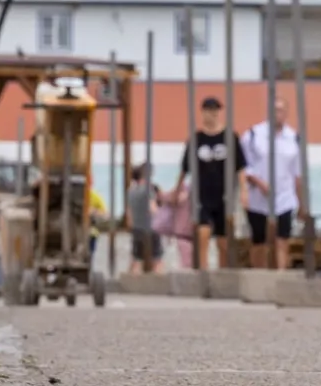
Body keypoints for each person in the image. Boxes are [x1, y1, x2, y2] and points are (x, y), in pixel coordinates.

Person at [175, 97, 247, 270]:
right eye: (209, 110)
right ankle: (203, 269)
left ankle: (223, 271)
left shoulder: (230, 137)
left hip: (225, 194)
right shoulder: (197, 139)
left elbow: (240, 167)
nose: (212, 114)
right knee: (203, 232)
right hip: (202, 194)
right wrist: (177, 190)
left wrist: (244, 191)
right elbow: (185, 168)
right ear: (203, 113)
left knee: (223, 240)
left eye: (215, 111)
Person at [240, 98, 305, 271]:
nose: (278, 114)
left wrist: (301, 202)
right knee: (259, 240)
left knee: (282, 239)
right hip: (258, 197)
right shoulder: (253, 135)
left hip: (285, 196)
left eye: (282, 110)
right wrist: (258, 183)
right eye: (275, 110)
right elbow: (243, 166)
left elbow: (297, 173)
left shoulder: (294, 138)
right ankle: (259, 274)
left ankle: (281, 275)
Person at [126, 164, 161, 274]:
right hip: (151, 227)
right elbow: (153, 209)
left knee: (136, 258)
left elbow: (129, 212)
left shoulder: (131, 190)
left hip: (136, 227)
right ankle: (158, 284)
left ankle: (131, 282)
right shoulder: (148, 189)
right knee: (156, 258)